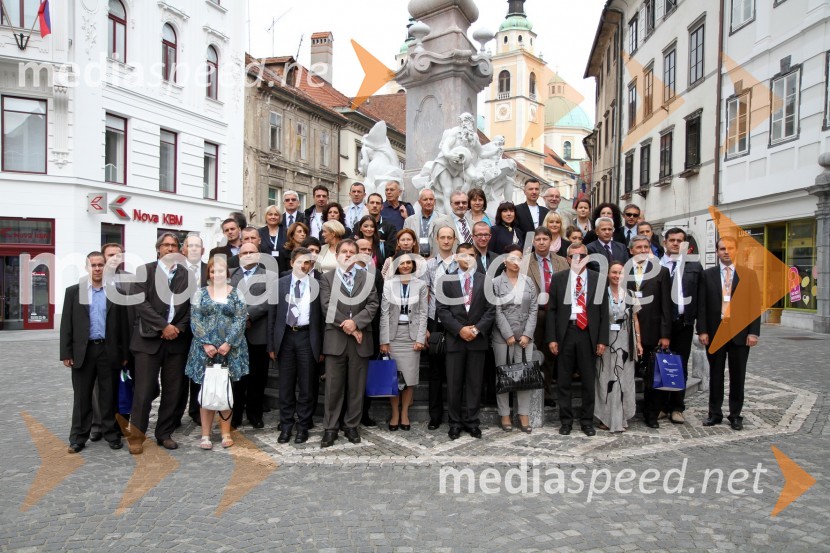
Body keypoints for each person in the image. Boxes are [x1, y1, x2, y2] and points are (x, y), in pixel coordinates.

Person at [128, 233, 192, 454]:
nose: (170, 248)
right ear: (158, 249)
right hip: (148, 340)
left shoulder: (186, 274)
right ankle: (136, 436)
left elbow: (191, 307)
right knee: (144, 392)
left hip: (176, 341)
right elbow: (140, 304)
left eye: (174, 245)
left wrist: (178, 328)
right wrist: (163, 326)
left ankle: (164, 433)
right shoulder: (144, 271)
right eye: (166, 245)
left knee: (172, 392)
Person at [60, 251, 129, 453]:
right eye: (93, 265)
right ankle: (78, 437)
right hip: (84, 351)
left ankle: (111, 434)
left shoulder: (116, 292)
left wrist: (124, 353)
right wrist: (66, 352)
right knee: (82, 397)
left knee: (109, 394)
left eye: (100, 265)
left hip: (108, 351)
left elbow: (123, 326)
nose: (97, 268)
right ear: (87, 267)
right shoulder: (74, 292)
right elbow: (66, 324)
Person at [318, 239, 379, 447]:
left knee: (356, 387)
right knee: (333, 388)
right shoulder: (326, 279)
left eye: (351, 252)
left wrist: (356, 323)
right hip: (335, 340)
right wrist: (349, 326)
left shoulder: (367, 277)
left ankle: (351, 426)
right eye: (343, 251)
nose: (347, 255)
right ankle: (330, 428)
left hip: (360, 341)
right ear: (337, 255)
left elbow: (373, 304)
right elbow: (327, 306)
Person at [698, 236, 761, 431]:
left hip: (740, 334)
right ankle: (714, 413)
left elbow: (754, 306)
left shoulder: (748, 275)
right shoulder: (707, 275)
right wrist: (702, 330)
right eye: (722, 248)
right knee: (715, 375)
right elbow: (702, 305)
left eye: (730, 248)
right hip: (715, 333)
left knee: (738, 375)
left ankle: (735, 415)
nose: (726, 252)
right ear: (717, 252)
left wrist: (753, 333)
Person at [185, 256, 249, 450]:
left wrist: (228, 343)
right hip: (205, 351)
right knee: (207, 392)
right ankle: (205, 435)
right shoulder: (200, 294)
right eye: (213, 271)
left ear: (226, 274)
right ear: (209, 274)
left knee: (225, 391)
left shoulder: (237, 293)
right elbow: (195, 319)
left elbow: (240, 319)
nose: (217, 274)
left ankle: (225, 433)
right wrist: (206, 343)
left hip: (231, 350)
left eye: (220, 271)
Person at [546, 242, 609, 437]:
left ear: (587, 258)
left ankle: (587, 421)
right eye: (574, 256)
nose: (578, 260)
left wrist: (602, 340)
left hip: (588, 333)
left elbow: (603, 312)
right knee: (564, 380)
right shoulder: (558, 279)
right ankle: (566, 421)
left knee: (588, 381)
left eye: (581, 256)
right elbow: (552, 311)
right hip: (566, 332)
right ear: (567, 259)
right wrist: (552, 338)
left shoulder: (598, 279)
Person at [436, 243, 496, 440]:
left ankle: (472, 421)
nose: (467, 258)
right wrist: (459, 329)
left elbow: (491, 310)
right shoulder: (446, 281)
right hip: (455, 339)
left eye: (471, 255)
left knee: (474, 383)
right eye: (463, 255)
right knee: (454, 384)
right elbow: (442, 310)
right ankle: (454, 423)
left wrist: (476, 329)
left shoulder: (485, 280)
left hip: (477, 340)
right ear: (455, 257)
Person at [268, 247, 323, 444]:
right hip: (285, 339)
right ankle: (285, 426)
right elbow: (272, 316)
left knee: (307, 386)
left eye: (307, 262)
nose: (303, 265)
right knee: (286, 386)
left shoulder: (317, 285)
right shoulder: (280, 284)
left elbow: (323, 319)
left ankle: (303, 427)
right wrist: (271, 345)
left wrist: (321, 347)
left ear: (311, 265)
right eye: (299, 261)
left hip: (307, 338)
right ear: (292, 263)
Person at [658, 227, 704, 425]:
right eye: (672, 240)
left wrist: (701, 327)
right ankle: (661, 405)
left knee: (681, 366)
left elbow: (701, 299)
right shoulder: (656, 265)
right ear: (665, 242)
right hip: (661, 323)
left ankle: (677, 407)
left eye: (680, 240)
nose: (676, 243)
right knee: (661, 364)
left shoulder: (694, 266)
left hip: (684, 323)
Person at [627, 235, 672, 429]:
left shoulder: (661, 272)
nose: (643, 250)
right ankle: (626, 411)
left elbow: (666, 306)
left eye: (646, 247)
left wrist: (665, 334)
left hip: (653, 330)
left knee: (652, 375)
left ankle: (651, 413)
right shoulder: (622, 270)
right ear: (631, 251)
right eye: (639, 247)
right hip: (628, 331)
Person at [379, 251, 428, 431]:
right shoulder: (389, 284)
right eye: (402, 263)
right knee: (393, 378)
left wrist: (420, 338)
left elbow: (424, 313)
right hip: (393, 335)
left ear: (413, 265)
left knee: (409, 378)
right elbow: (384, 313)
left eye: (409, 263)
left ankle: (405, 412)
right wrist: (384, 340)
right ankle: (395, 413)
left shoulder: (421, 285)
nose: (405, 266)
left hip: (411, 336)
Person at [492, 245, 538, 433]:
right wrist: (508, 334)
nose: (516, 262)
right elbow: (496, 310)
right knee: (503, 375)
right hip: (503, 337)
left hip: (525, 337)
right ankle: (504, 414)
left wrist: (527, 334)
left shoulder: (528, 282)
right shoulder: (495, 283)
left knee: (524, 375)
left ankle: (524, 414)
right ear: (505, 261)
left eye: (519, 259)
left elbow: (534, 308)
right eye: (512, 258)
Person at [229, 243, 274, 429]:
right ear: (239, 255)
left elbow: (269, 300)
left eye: (252, 252)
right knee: (237, 378)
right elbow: (224, 298)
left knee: (257, 377)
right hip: (235, 334)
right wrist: (240, 317)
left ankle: (255, 414)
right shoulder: (230, 274)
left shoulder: (269, 276)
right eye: (244, 252)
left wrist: (249, 315)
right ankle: (236, 415)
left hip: (258, 333)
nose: (248, 255)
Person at [595, 260, 642, 432]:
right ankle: (606, 418)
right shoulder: (601, 294)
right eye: (614, 272)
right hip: (606, 342)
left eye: (620, 273)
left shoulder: (630, 293)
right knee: (606, 379)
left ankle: (621, 417)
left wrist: (639, 342)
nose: (617, 276)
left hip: (625, 341)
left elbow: (635, 319)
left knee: (624, 380)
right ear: (608, 274)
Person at [526, 227, 568, 407]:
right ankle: (529, 392)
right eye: (538, 239)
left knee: (550, 354)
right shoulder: (525, 262)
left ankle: (547, 393)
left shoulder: (561, 262)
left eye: (545, 239)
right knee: (532, 353)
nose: (542, 242)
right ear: (533, 242)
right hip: (534, 314)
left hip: (555, 314)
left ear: (551, 241)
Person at [423, 224, 459, 430]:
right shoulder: (429, 266)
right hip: (434, 320)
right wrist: (425, 328)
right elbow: (424, 294)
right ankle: (435, 415)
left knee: (454, 370)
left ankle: (456, 412)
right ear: (437, 240)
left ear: (454, 240)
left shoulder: (460, 263)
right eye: (442, 237)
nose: (446, 241)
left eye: (449, 237)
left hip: (457, 321)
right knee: (435, 371)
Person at [178, 234, 208, 426]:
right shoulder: (176, 271)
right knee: (179, 372)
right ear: (184, 250)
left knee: (200, 370)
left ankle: (196, 410)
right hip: (180, 328)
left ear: (203, 250)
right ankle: (175, 411)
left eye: (198, 246)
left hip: (204, 328)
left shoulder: (210, 270)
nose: (194, 249)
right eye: (191, 246)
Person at [403, 188, 451, 259]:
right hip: (415, 260)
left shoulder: (444, 220)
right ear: (419, 202)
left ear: (434, 201)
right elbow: (405, 242)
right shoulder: (409, 221)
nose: (429, 202)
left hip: (437, 260)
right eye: (425, 199)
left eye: (431, 199)